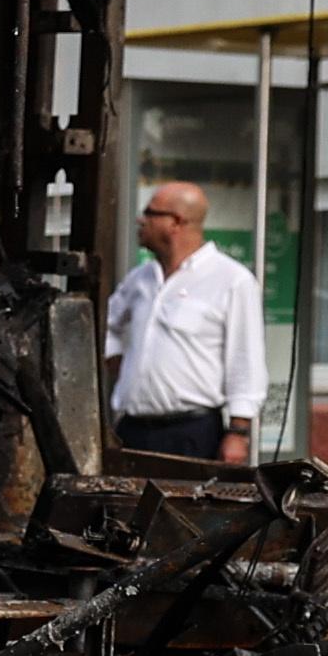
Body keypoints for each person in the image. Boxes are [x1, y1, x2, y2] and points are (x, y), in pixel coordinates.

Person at [102, 180, 264, 466]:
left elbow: (245, 360)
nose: (141, 220)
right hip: (132, 430)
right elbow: (106, 325)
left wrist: (238, 433)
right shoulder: (141, 278)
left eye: (150, 213)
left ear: (175, 222)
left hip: (191, 433)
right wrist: (116, 360)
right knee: (122, 510)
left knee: (183, 511)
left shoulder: (231, 280)